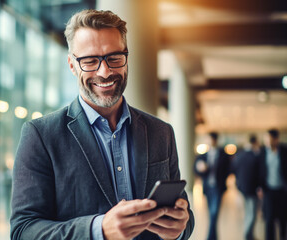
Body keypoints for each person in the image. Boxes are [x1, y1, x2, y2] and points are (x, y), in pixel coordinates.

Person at [10, 9, 194, 240]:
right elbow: (23, 231)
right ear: (72, 64)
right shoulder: (40, 136)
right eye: (89, 61)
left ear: (127, 57)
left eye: (114, 58)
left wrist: (180, 229)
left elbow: (184, 213)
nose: (104, 72)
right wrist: (98, 230)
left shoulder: (161, 132)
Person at [194, 132, 230, 240]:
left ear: (215, 140)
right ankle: (214, 237)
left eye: (211, 140)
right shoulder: (202, 155)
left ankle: (210, 237)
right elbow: (195, 169)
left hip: (218, 188)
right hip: (207, 188)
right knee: (211, 213)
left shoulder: (223, 155)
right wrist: (200, 168)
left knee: (214, 213)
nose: (209, 142)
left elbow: (228, 170)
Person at [259, 129, 287, 240]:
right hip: (269, 189)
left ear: (276, 139)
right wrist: (260, 187)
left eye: (269, 139)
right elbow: (260, 170)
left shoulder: (284, 151)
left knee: (282, 217)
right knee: (269, 218)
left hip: (282, 190)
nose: (267, 142)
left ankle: (282, 236)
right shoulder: (263, 152)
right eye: (266, 139)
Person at [233, 135, 261, 240]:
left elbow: (234, 169)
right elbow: (258, 174)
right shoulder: (255, 156)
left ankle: (248, 233)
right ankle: (248, 234)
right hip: (252, 189)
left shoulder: (239, 155)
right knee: (252, 213)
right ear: (255, 142)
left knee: (247, 212)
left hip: (242, 188)